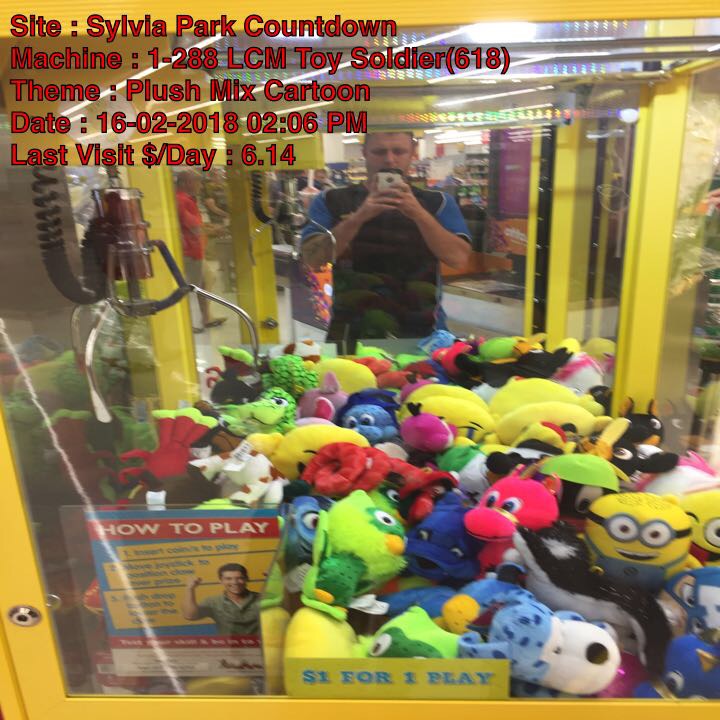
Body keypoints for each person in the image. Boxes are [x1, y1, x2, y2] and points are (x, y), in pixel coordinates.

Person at [301, 132, 471, 352]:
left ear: (413, 153)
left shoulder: (437, 203)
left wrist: (418, 213)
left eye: (399, 151)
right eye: (379, 151)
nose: (390, 159)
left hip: (424, 329)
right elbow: (312, 260)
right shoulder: (331, 201)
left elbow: (458, 259)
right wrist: (360, 216)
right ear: (364, 153)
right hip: (351, 329)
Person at [175, 170, 227, 333]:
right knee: (185, 289)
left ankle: (206, 317)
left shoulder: (185, 199)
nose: (200, 186)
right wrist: (215, 230)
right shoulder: (183, 201)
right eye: (198, 183)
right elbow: (195, 229)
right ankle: (184, 324)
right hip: (189, 252)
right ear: (187, 183)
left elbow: (194, 225)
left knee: (207, 279)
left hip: (192, 250)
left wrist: (209, 227)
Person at [182, 563, 260, 636]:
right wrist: (190, 589)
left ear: (247, 579)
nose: (234, 582)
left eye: (240, 578)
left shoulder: (262, 598)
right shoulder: (213, 602)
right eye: (228, 579)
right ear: (221, 581)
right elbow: (190, 616)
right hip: (229, 645)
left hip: (261, 645)